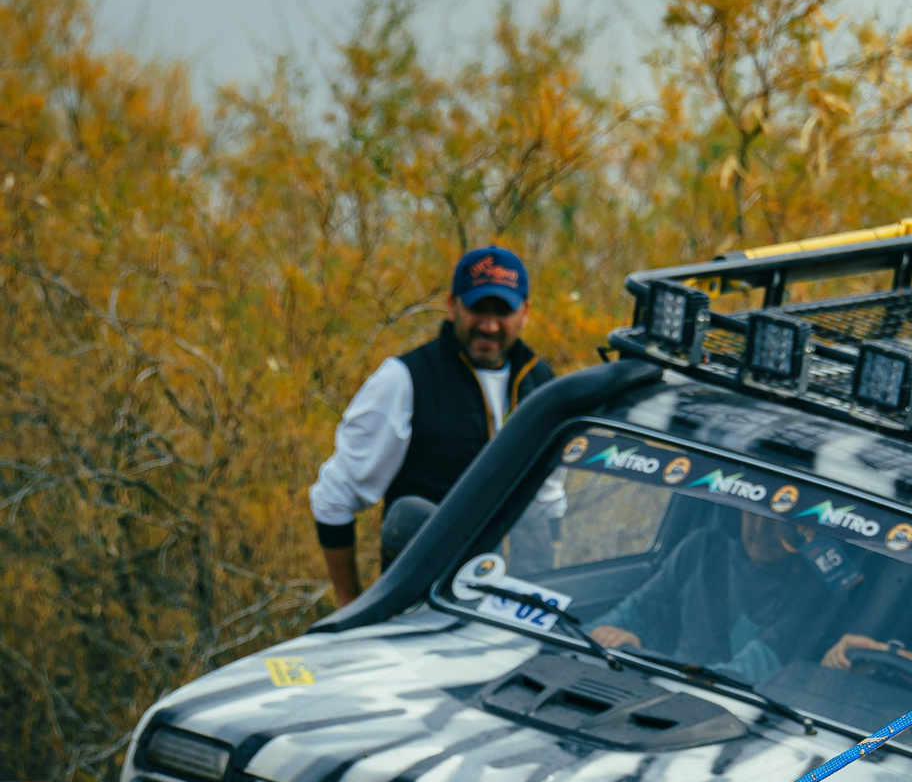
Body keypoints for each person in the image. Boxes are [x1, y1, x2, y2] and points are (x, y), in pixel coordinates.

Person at [310, 247, 555, 608]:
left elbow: (550, 501)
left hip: (514, 614)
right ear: (452, 306)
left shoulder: (543, 385)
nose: (489, 326)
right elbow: (334, 496)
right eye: (477, 310)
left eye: (502, 312)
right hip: (422, 608)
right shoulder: (405, 379)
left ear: (525, 313)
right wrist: (350, 603)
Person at [592, 511, 843, 682]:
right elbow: (630, 614)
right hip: (668, 688)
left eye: (777, 520)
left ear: (803, 529)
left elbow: (745, 674)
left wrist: (643, 659)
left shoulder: (814, 590)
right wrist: (598, 636)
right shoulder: (704, 548)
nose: (759, 528)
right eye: (753, 511)